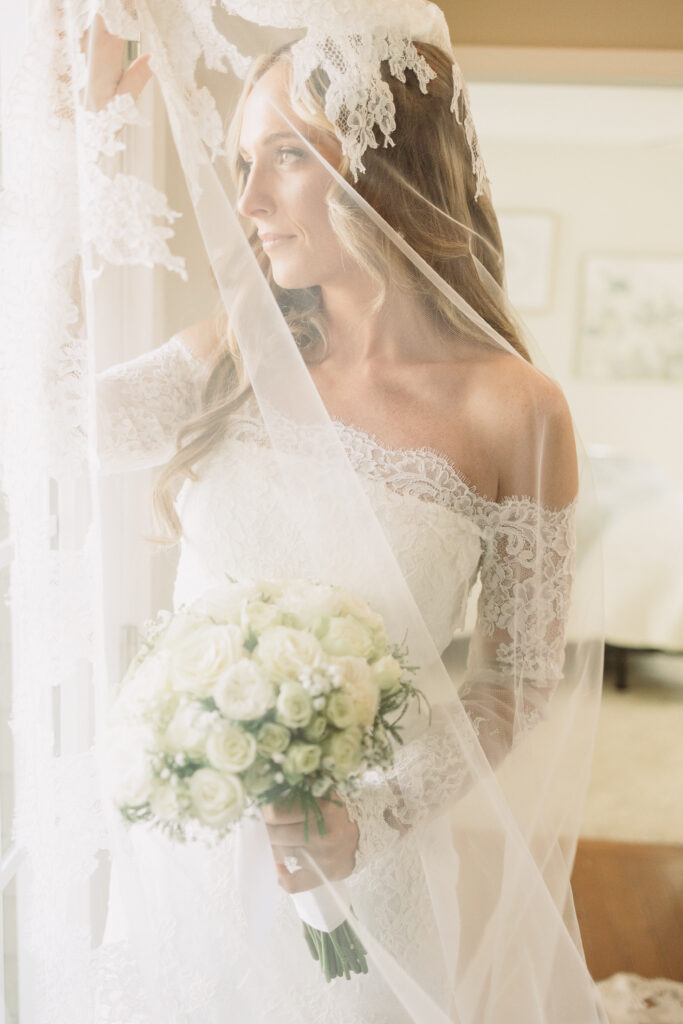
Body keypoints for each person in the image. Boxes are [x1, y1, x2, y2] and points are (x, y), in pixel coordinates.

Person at [84, 5, 604, 1023]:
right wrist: (84, 168)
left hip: (363, 874)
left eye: (286, 156)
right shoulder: (238, 347)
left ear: (384, 164)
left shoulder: (515, 411)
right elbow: (50, 421)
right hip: (181, 855)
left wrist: (370, 818)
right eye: (243, 162)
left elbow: (513, 682)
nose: (247, 201)